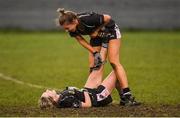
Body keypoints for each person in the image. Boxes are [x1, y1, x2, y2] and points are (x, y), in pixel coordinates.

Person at [56, 8, 140, 106]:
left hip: (110, 31)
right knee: (93, 65)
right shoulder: (73, 29)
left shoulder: (87, 19)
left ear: (74, 21)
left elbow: (108, 18)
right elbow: (81, 40)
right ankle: (92, 93)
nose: (67, 31)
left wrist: (96, 30)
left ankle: (127, 96)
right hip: (95, 36)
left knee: (113, 61)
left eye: (67, 28)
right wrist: (94, 52)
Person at [39, 71, 121, 108]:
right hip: (97, 97)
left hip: (90, 92)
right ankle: (125, 97)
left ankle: (103, 44)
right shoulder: (66, 100)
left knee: (97, 67)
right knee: (116, 72)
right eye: (47, 93)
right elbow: (88, 104)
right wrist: (85, 91)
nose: (47, 90)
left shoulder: (61, 96)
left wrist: (84, 90)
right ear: (52, 99)